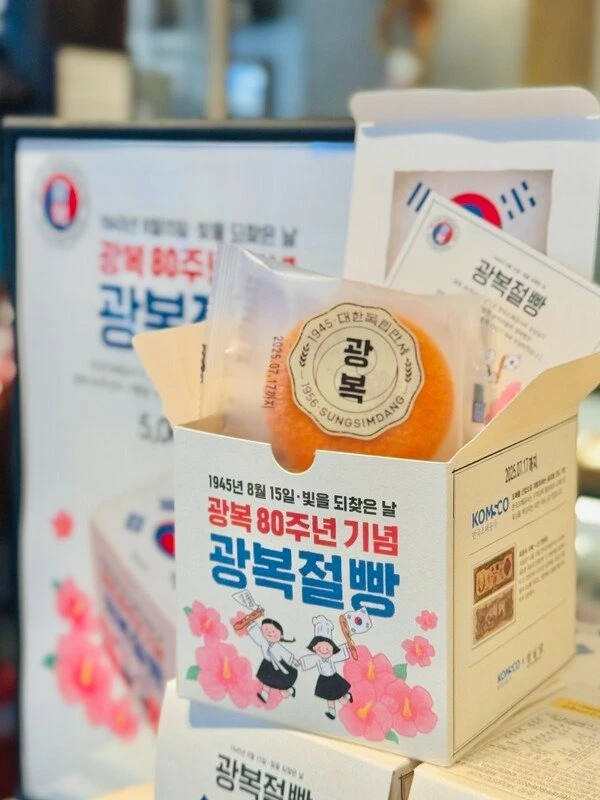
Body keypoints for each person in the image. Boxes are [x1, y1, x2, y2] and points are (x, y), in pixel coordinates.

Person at [300, 615, 353, 720]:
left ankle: (347, 696)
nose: (324, 650)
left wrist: (349, 646)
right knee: (329, 697)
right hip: (324, 679)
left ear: (333, 648)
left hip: (334, 678)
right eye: (320, 647)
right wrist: (298, 662)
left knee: (342, 701)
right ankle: (332, 712)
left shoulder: (332, 657)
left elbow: (343, 653)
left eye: (327, 647)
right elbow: (308, 661)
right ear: (314, 648)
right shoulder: (316, 658)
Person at [247, 618, 299, 704]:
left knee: (283, 691)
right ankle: (264, 695)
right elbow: (257, 635)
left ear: (281, 635)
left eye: (273, 631)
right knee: (266, 682)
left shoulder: (277, 646)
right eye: (266, 629)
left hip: (279, 668)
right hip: (268, 665)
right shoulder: (263, 642)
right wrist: (251, 624)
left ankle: (290, 691)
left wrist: (294, 660)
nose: (269, 632)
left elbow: (286, 654)